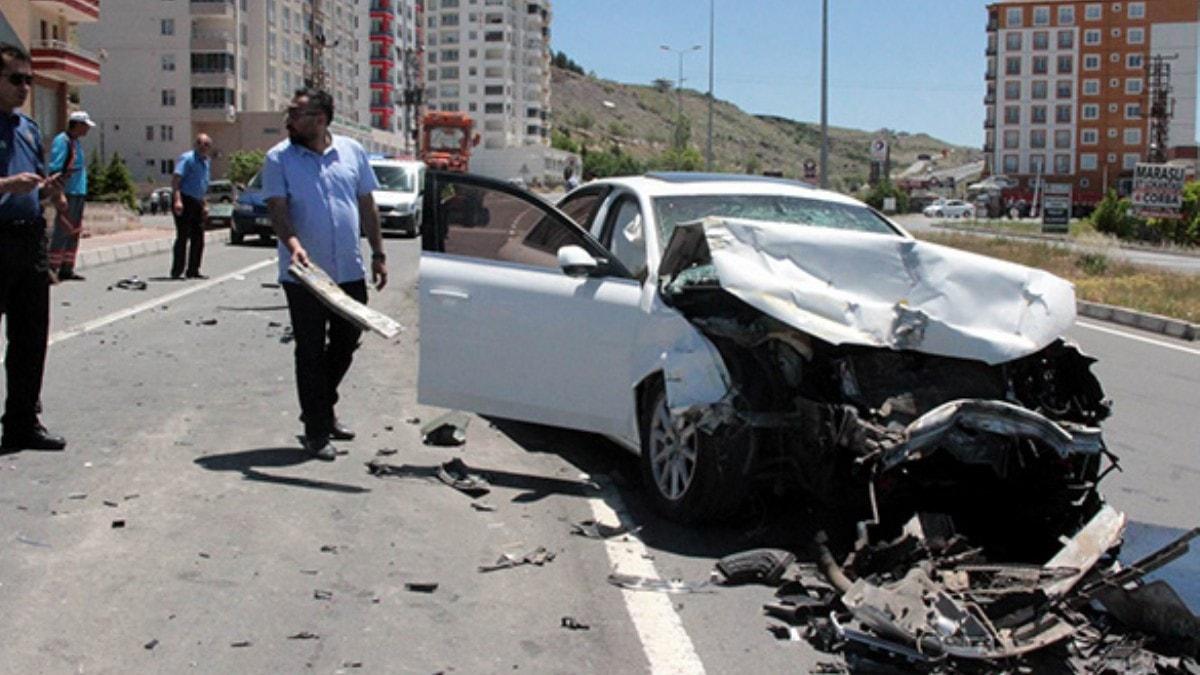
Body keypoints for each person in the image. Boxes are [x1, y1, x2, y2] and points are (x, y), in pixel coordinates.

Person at [262, 88, 387, 460]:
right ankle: (316, 430)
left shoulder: (352, 152)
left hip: (349, 268)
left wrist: (379, 253)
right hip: (305, 275)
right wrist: (293, 243)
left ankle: (320, 405)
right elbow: (277, 209)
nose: (288, 120)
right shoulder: (278, 158)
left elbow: (366, 202)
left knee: (348, 340)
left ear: (319, 119)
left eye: (296, 114)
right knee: (310, 351)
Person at [0, 43, 66, 452]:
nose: (25, 87)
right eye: (15, 79)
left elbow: (36, 184)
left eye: (29, 79)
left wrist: (48, 190)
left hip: (28, 238)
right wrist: (7, 186)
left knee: (30, 336)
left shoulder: (27, 128)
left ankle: (23, 421)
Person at [47, 110, 94, 281]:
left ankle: (67, 267)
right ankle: (52, 268)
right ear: (78, 125)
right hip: (68, 191)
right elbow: (55, 169)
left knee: (73, 231)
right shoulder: (62, 141)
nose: (87, 129)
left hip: (78, 191)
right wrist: (58, 193)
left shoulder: (76, 143)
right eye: (85, 126)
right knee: (62, 230)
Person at [170, 134, 212, 279]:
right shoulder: (187, 158)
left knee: (198, 237)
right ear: (196, 144)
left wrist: (205, 204)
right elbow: (176, 181)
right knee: (183, 236)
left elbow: (203, 185)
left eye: (207, 144)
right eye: (201, 143)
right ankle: (177, 270)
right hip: (184, 199)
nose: (203, 146)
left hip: (197, 201)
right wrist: (177, 200)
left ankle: (193, 269)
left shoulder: (206, 162)